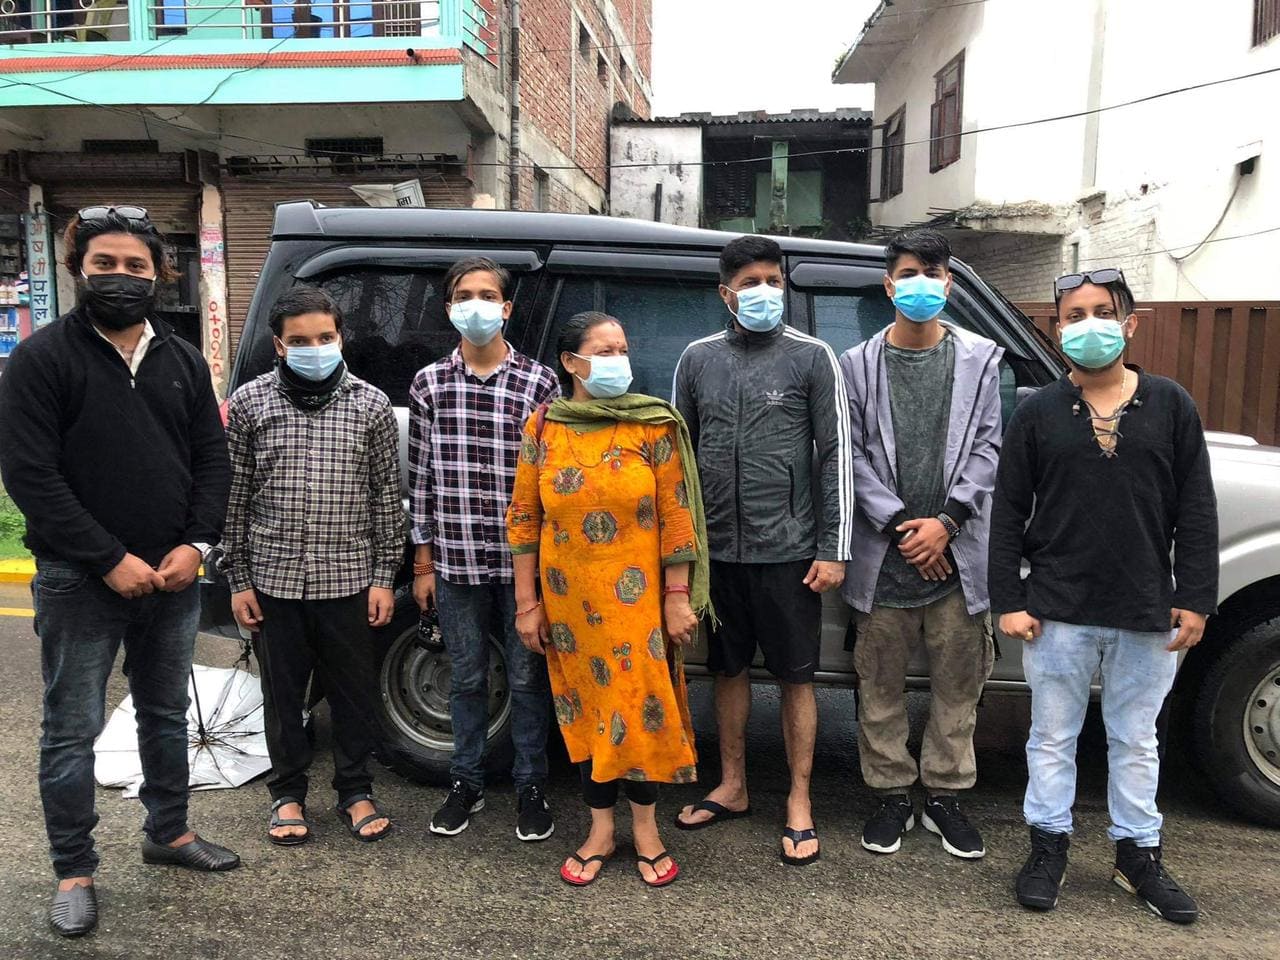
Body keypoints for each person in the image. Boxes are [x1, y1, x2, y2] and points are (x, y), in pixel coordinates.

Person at [0, 206, 239, 938]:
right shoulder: (42, 360)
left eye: (136, 266)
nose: (120, 278)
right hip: (80, 581)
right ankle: (74, 871)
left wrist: (197, 544)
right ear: (78, 268)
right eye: (104, 264)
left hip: (172, 578)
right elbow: (31, 476)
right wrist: (107, 558)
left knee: (165, 713)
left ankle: (168, 832)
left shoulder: (183, 360)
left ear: (160, 274)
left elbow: (212, 459)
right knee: (70, 730)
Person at [990, 268, 1217, 924]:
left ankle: (1137, 856)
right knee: (1051, 737)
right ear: (1059, 329)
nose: (1088, 326)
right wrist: (1009, 598)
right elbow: (1008, 511)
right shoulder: (1037, 412)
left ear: (1130, 323)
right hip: (1056, 609)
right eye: (1074, 316)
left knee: (1136, 739)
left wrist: (1197, 596)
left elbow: (1196, 509)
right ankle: (1048, 847)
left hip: (1145, 608)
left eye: (1101, 312)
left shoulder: (1171, 405)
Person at [507, 311, 708, 887]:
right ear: (571, 362)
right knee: (590, 714)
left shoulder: (652, 425)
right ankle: (599, 830)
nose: (618, 361)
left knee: (640, 709)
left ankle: (645, 829)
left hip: (638, 606)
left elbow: (677, 516)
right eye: (604, 351)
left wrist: (676, 596)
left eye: (622, 349)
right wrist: (527, 604)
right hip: (570, 605)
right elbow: (524, 518)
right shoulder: (543, 426)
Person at [672, 234, 853, 866]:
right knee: (727, 671)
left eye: (773, 281)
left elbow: (836, 456)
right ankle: (733, 785)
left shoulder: (812, 357)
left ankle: (799, 798)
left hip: (790, 551)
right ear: (726, 293)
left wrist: (832, 547)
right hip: (718, 552)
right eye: (750, 283)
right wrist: (684, 551)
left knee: (797, 677)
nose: (764, 292)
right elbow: (680, 461)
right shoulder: (697, 358)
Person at [839, 229, 1002, 860]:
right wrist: (906, 525)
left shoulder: (980, 359)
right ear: (888, 285)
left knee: (959, 685)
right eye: (909, 273)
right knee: (877, 686)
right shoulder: (856, 365)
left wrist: (947, 524)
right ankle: (889, 793)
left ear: (949, 283)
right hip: (887, 555)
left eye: (932, 273)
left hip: (957, 556)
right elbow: (849, 456)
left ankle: (944, 795)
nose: (921, 284)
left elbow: (988, 447)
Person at [223, 285, 403, 847]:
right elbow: (235, 496)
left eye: (325, 337)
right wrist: (238, 580)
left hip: (349, 578)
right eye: (300, 341)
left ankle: (355, 789)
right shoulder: (250, 403)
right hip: (272, 580)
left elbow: (384, 496)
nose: (314, 348)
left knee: (353, 693)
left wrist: (384, 577)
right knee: (283, 696)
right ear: (279, 346)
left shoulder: (370, 405)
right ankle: (287, 793)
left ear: (340, 337)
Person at [407, 257, 560, 841]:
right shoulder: (429, 383)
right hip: (456, 559)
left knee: (527, 680)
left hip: (524, 566)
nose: (477, 305)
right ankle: (465, 782)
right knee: (466, 678)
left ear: (507, 308)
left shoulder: (539, 382)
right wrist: (422, 562)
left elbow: (551, 479)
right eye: (465, 295)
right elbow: (420, 478)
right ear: (450, 309)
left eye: (488, 295)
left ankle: (531, 785)